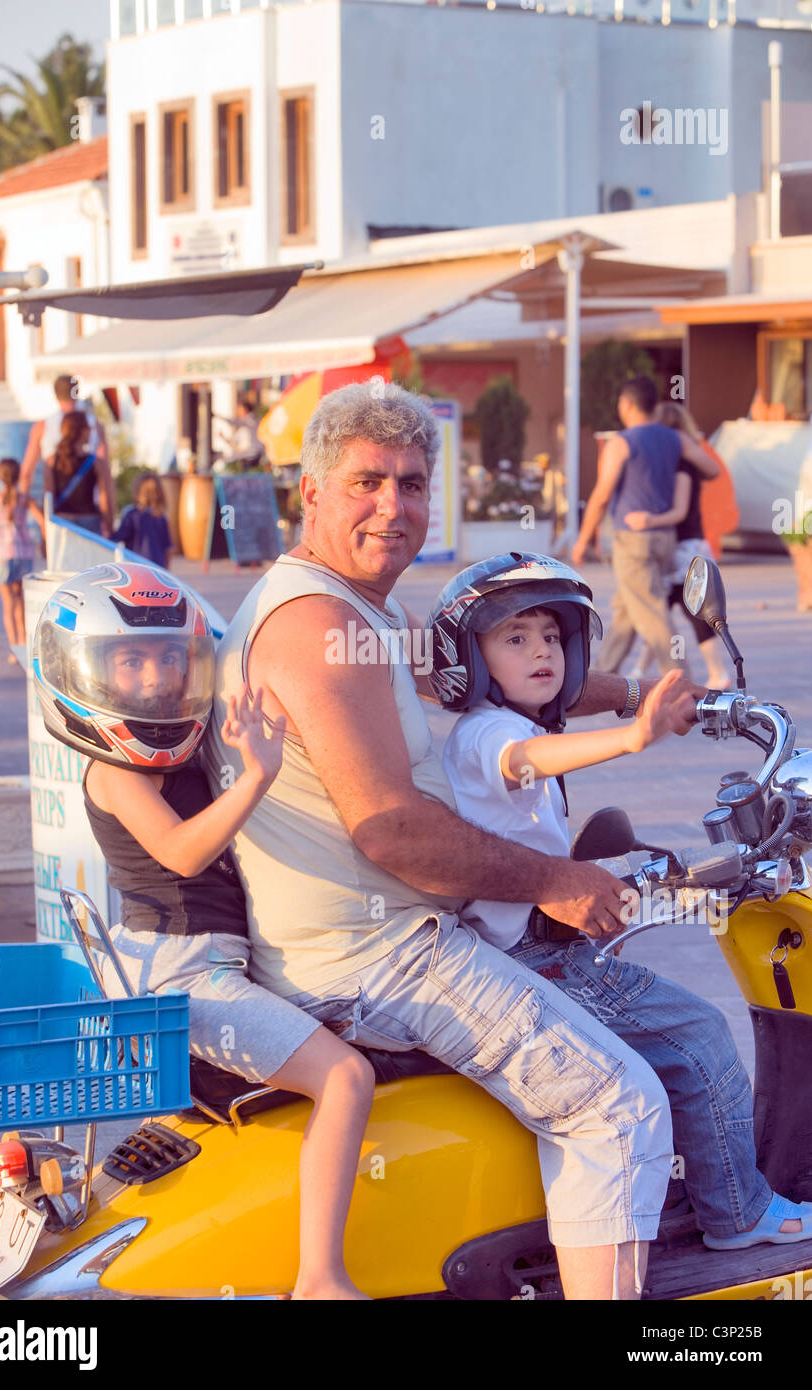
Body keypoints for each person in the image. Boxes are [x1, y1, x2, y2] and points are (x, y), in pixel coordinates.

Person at [208, 382, 693, 1300]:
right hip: (379, 957)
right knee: (618, 1103)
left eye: (413, 484)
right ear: (310, 494)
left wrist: (641, 698)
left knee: (648, 1024)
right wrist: (555, 875)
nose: (394, 506)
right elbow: (390, 828)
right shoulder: (318, 626)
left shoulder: (362, 612)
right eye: (367, 483)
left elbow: (484, 671)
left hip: (378, 939)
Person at [428, 551, 812, 1253]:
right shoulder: (492, 733)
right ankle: (738, 1213)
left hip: (533, 936)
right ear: (473, 659)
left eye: (550, 636)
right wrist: (637, 736)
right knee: (696, 1039)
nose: (540, 651)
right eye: (515, 639)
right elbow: (527, 762)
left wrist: (672, 702)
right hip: (538, 957)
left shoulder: (521, 721)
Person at [32, 562, 374, 1301]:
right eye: (129, 659)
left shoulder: (181, 748)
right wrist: (258, 774)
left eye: (167, 658)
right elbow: (184, 852)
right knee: (347, 1077)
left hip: (191, 966)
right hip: (181, 974)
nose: (153, 677)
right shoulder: (114, 772)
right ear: (85, 672)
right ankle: (322, 1276)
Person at [571, 377, 719, 676]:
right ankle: (598, 676)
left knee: (652, 614)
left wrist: (582, 539)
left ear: (626, 405)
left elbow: (601, 495)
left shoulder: (622, 442)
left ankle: (680, 685)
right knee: (628, 608)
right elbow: (712, 469)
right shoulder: (676, 439)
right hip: (665, 538)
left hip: (633, 540)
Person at [624, 402, 730, 690]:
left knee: (682, 611)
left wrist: (647, 519)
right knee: (658, 611)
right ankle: (639, 670)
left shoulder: (683, 465)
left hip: (685, 548)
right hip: (677, 546)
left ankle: (717, 672)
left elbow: (680, 512)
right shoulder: (679, 461)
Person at [20, 375, 114, 519]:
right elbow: (106, 475)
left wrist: (27, 512)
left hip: (57, 512)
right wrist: (109, 519)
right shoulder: (94, 425)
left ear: (55, 394)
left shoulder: (42, 427)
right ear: (77, 392)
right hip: (90, 511)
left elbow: (26, 473)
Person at [0, 457, 44, 663]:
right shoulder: (25, 499)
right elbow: (42, 520)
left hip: (0, 556)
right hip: (23, 554)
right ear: (18, 475)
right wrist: (44, 542)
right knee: (21, 602)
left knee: (8, 603)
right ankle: (23, 644)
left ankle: (13, 649)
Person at [44, 410, 113, 537]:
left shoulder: (51, 462)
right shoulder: (96, 462)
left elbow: (49, 498)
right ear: (81, 431)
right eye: (88, 428)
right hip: (89, 523)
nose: (90, 432)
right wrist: (109, 526)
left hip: (62, 522)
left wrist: (45, 534)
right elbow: (105, 499)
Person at [114, 473, 173, 568]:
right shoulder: (161, 517)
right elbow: (168, 548)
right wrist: (167, 570)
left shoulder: (132, 514)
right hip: (157, 567)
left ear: (137, 491)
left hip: (136, 565)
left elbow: (118, 537)